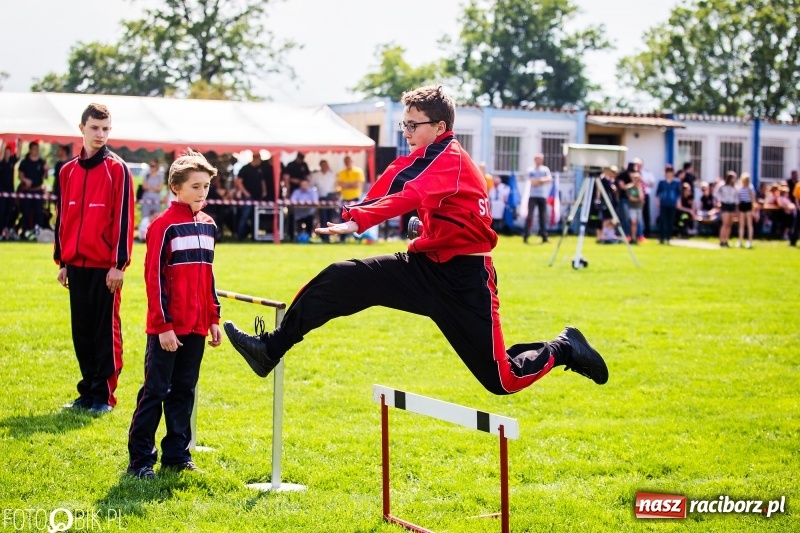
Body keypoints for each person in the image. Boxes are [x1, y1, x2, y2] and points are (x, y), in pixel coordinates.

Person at [223, 85, 608, 399]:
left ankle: (564, 347)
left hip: (465, 280)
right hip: (423, 268)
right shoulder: (428, 157)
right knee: (341, 277)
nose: (405, 133)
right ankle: (271, 348)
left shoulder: (449, 158)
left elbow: (408, 191)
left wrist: (359, 218)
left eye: (412, 125)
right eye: (403, 125)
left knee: (502, 380)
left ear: (440, 127)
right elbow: (401, 177)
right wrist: (379, 218)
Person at [126, 149, 222, 479]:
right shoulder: (163, 226)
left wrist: (213, 319)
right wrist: (163, 326)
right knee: (155, 390)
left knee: (184, 389)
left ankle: (177, 455)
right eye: (195, 186)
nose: (202, 192)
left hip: (197, 326)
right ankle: (140, 460)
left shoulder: (208, 225)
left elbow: (208, 276)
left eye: (206, 186)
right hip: (167, 328)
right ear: (175, 188)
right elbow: (153, 279)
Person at [54, 103, 135, 414]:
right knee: (82, 332)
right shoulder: (67, 172)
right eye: (95, 128)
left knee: (105, 332)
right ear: (82, 128)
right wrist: (62, 262)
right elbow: (62, 218)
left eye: (105, 129)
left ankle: (104, 396)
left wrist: (119, 265)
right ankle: (87, 391)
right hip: (76, 265)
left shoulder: (118, 170)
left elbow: (124, 220)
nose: (100, 134)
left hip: (105, 267)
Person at [234, 151, 267, 241]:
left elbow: (262, 181)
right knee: (244, 216)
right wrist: (245, 193)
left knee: (255, 217)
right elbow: (238, 182)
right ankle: (240, 236)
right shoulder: (245, 168)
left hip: (257, 197)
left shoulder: (259, 169)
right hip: (248, 197)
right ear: (255, 158)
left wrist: (264, 191)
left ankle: (254, 236)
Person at [18, 141, 48, 236]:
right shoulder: (24, 162)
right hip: (27, 191)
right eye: (34, 149)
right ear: (30, 150)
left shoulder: (41, 162)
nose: (36, 151)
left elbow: (45, 177)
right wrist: (25, 180)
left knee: (38, 212)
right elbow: (20, 176)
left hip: (38, 190)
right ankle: (25, 231)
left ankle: (38, 231)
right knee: (26, 212)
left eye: (37, 149)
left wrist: (46, 170)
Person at [523, 153, 552, 243]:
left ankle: (544, 235)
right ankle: (526, 235)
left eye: (540, 159)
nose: (539, 160)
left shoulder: (545, 169)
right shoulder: (531, 170)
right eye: (537, 159)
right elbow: (532, 182)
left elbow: (549, 179)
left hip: (542, 196)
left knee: (542, 216)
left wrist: (539, 180)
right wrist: (542, 180)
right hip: (532, 196)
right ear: (534, 160)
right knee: (530, 216)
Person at [311, 159, 338, 243]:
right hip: (321, 198)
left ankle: (329, 236)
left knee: (330, 218)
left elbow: (336, 186)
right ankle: (324, 237)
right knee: (323, 217)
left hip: (331, 198)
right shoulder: (316, 175)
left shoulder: (332, 175)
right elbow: (311, 186)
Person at [655, 164, 680, 245]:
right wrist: (657, 201)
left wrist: (678, 202)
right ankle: (661, 238)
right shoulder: (662, 182)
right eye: (667, 171)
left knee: (670, 221)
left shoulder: (676, 182)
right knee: (663, 221)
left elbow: (678, 194)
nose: (669, 173)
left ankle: (668, 237)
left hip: (672, 204)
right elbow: (658, 193)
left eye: (670, 171)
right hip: (664, 203)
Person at [0, 142, 18, 240]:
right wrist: (4, 141)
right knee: (1, 211)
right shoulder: (1, 162)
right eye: (5, 152)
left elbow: (18, 153)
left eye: (8, 152)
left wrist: (20, 140)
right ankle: (1, 230)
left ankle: (6, 230)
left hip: (10, 190)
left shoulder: (12, 161)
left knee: (10, 210)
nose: (7, 154)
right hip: (2, 190)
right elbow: (1, 153)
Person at [715, 171, 738, 248]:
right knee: (725, 223)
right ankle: (722, 240)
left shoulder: (735, 187)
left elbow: (736, 197)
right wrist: (719, 201)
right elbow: (716, 193)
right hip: (725, 204)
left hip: (732, 205)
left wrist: (736, 208)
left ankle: (726, 240)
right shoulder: (722, 186)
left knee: (729, 224)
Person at [736, 173, 756, 248]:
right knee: (741, 225)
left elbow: (753, 198)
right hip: (742, 205)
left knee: (749, 224)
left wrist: (753, 209)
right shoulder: (740, 187)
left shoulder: (750, 187)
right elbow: (738, 198)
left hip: (748, 205)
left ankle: (750, 241)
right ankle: (740, 241)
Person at [626, 171, 645, 244]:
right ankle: (632, 237)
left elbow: (642, 198)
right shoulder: (629, 187)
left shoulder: (640, 187)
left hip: (639, 207)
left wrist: (639, 188)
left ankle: (637, 237)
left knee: (638, 223)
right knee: (633, 222)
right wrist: (638, 199)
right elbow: (631, 198)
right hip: (632, 207)